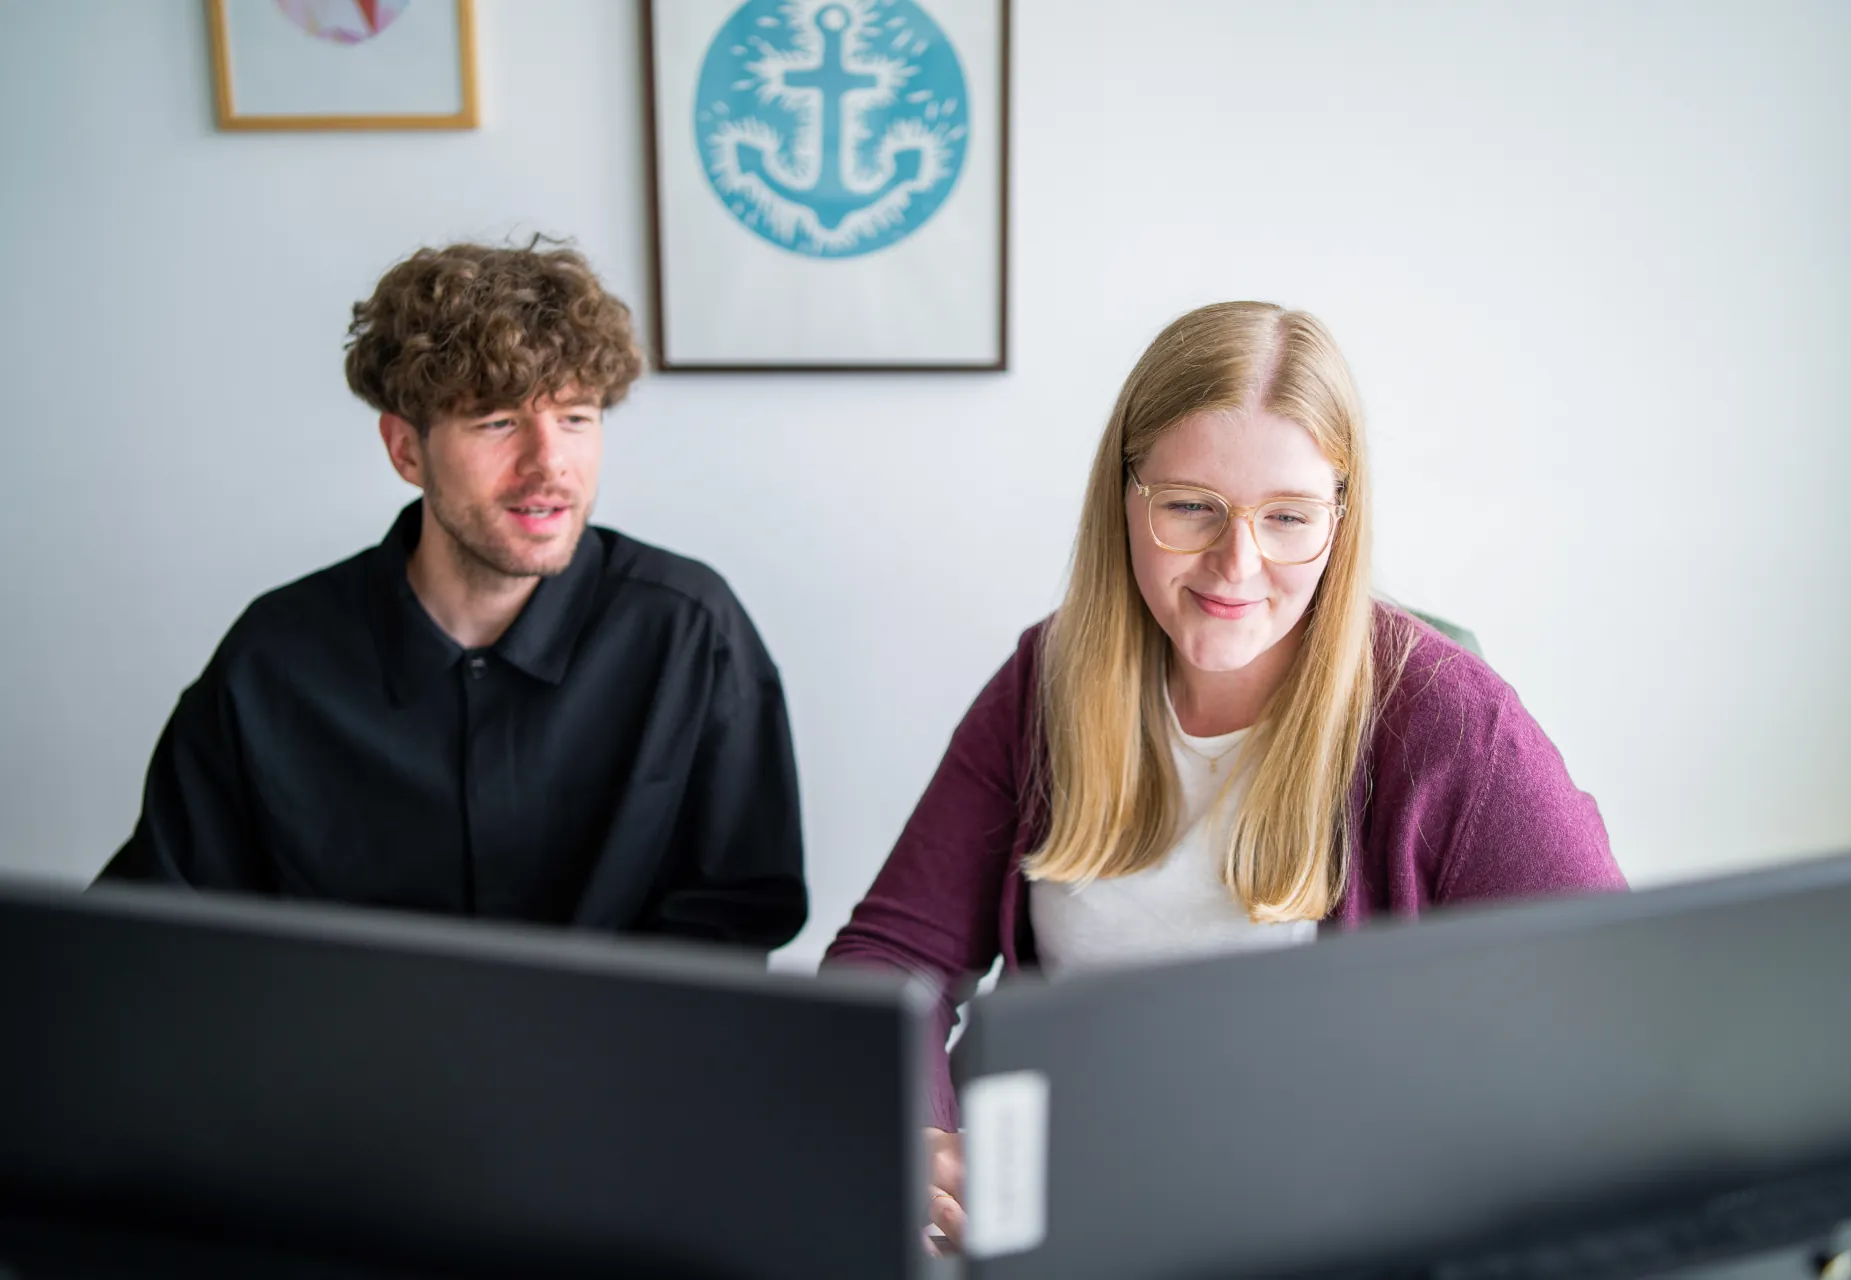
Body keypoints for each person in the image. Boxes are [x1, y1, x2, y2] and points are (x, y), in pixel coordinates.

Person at [823, 301, 1625, 1246]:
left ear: (1340, 518)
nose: (1236, 564)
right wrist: (920, 1138)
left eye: (1287, 517)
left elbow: (1606, 1005)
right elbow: (892, 958)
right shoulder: (1048, 679)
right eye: (1191, 507)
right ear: (1126, 497)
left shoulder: (1451, 721)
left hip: (1323, 1235)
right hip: (1059, 1222)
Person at [99, 239, 806, 952]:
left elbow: (736, 917)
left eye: (575, 418)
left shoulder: (689, 630)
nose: (549, 464)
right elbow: (156, 926)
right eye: (498, 422)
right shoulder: (274, 657)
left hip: (618, 1029)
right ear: (406, 449)